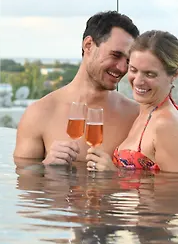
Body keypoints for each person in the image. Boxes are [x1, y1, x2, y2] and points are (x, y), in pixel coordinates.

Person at [13, 11, 140, 166]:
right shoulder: (39, 114)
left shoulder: (135, 116)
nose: (122, 68)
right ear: (88, 45)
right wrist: (46, 167)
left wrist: (114, 175)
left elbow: (153, 177)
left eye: (128, 61)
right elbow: (24, 175)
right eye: (115, 55)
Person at [87, 30, 178, 172]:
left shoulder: (165, 124)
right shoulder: (144, 113)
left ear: (174, 75)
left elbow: (172, 185)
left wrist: (113, 175)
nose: (138, 81)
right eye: (133, 70)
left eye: (150, 74)